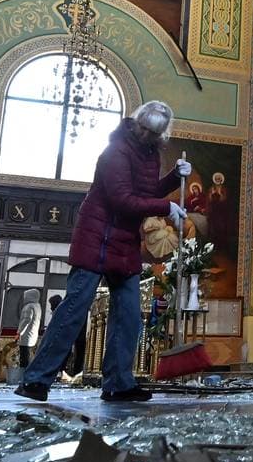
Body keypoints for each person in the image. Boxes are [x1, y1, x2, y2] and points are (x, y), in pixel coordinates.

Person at [19, 101, 188, 402]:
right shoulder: (116, 151)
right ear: (137, 124)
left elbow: (145, 194)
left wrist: (174, 177)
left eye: (155, 133)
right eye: (145, 130)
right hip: (97, 235)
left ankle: (118, 384)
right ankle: (35, 380)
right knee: (74, 309)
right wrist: (167, 207)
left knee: (129, 316)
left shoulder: (150, 154)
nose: (148, 136)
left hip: (123, 241)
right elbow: (123, 199)